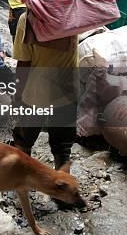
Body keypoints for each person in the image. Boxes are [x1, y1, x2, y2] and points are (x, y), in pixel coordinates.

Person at [12, 11, 79, 172]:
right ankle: (62, 189)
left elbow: (23, 64)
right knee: (62, 146)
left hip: (37, 94)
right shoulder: (74, 12)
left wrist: (17, 95)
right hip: (68, 92)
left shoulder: (27, 19)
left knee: (23, 140)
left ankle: (21, 179)